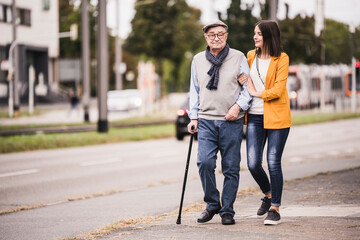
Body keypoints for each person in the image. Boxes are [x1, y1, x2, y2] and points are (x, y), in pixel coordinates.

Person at [187, 20, 252, 225]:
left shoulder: (238, 57)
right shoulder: (197, 60)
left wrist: (238, 107)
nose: (216, 37)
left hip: (231, 120)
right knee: (204, 163)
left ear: (226, 36)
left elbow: (247, 88)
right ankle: (212, 203)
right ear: (206, 37)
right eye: (212, 34)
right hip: (206, 120)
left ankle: (227, 211)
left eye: (220, 34)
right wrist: (193, 117)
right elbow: (194, 90)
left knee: (231, 167)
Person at [238, 20, 291, 225]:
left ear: (269, 35)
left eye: (259, 33)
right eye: (254, 33)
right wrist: (245, 84)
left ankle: (275, 209)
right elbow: (243, 79)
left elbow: (278, 90)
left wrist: (254, 92)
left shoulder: (282, 58)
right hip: (254, 117)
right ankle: (268, 195)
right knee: (252, 163)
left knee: (273, 162)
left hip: (277, 117)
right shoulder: (250, 56)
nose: (255, 37)